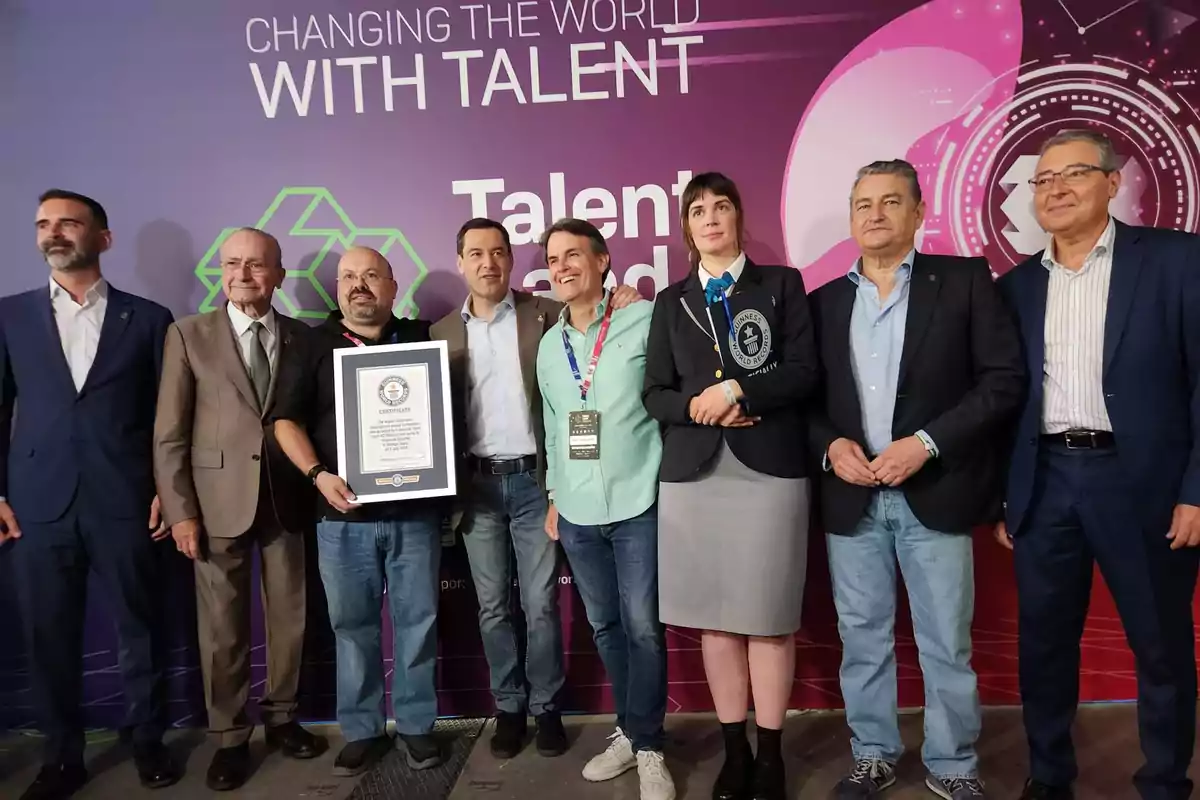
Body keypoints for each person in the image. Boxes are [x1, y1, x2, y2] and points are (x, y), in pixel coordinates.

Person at [809, 160, 1026, 800]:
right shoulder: (823, 302)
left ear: (917, 211)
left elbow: (1003, 380)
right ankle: (872, 752)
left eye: (889, 202)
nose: (874, 214)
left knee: (945, 644)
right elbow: (804, 400)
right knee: (863, 639)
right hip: (852, 500)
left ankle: (953, 764)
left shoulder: (961, 282)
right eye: (862, 204)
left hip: (936, 493)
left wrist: (927, 444)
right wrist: (830, 446)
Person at [995, 129, 1200, 800]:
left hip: (1140, 482)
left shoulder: (1175, 261)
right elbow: (1004, 399)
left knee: (1160, 647)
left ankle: (1165, 782)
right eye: (1043, 179)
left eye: (1073, 174)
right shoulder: (1015, 286)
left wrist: (1196, 491)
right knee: (1044, 647)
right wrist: (1006, 497)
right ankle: (1049, 778)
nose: (1054, 189)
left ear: (1113, 184)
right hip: (1047, 482)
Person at [430, 218, 641, 758]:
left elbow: (597, 319)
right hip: (476, 488)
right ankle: (509, 709)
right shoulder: (439, 335)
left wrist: (623, 295)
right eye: (475, 253)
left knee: (542, 603)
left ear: (510, 260)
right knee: (493, 607)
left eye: (498, 252)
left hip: (536, 483)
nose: (488, 263)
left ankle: (547, 708)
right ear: (460, 262)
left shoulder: (545, 315)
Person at [643, 172, 817, 800]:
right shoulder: (671, 301)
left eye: (721, 207)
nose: (711, 218)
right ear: (687, 227)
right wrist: (699, 407)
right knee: (716, 623)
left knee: (768, 618)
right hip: (695, 475)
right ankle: (734, 751)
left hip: (768, 470)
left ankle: (771, 756)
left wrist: (739, 389)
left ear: (739, 217)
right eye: (698, 211)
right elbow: (654, 393)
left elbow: (803, 372)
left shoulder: (781, 285)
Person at [0, 189, 178, 800]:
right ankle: (60, 757)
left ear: (102, 237)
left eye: (69, 223)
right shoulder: (9, 317)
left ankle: (149, 739)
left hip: (125, 499)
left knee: (140, 628)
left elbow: (167, 418)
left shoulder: (149, 319)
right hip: (36, 505)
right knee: (48, 634)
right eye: (44, 224)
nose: (54, 233)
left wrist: (165, 488)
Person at [153, 227, 325, 792]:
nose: (242, 275)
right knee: (222, 630)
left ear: (277, 275)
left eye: (255, 266)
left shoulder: (303, 339)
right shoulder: (188, 335)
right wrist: (180, 510)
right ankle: (229, 739)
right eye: (232, 264)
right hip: (214, 503)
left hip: (285, 500)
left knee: (289, 620)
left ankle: (282, 719)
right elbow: (170, 434)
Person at [271, 246, 445, 775]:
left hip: (414, 513)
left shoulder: (422, 338)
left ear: (393, 287)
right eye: (349, 277)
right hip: (341, 519)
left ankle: (417, 728)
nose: (359, 285)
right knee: (352, 627)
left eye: (372, 275)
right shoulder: (310, 343)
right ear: (337, 288)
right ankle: (364, 730)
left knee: (417, 624)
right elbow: (284, 421)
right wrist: (316, 475)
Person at [536, 218, 674, 800]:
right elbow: (553, 421)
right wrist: (551, 493)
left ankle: (647, 745)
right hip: (577, 506)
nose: (561, 266)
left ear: (601, 261)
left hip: (639, 494)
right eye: (552, 258)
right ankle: (630, 728)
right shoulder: (549, 343)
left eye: (572, 255)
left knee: (643, 626)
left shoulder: (645, 318)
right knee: (605, 624)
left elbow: (668, 397)